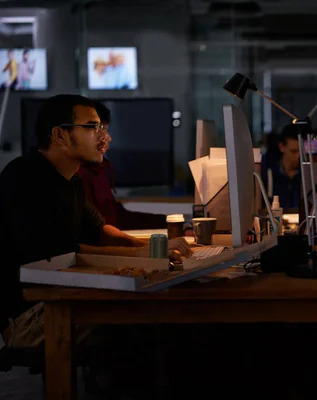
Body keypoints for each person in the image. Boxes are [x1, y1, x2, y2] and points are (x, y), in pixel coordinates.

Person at [0, 94, 192, 350]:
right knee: (145, 321)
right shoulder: (24, 177)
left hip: (64, 294)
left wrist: (152, 248)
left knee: (159, 310)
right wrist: (143, 253)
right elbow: (64, 254)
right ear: (59, 135)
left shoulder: (72, 179)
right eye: (92, 127)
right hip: (31, 313)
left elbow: (99, 229)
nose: (105, 137)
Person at [78, 101, 167, 230]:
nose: (107, 138)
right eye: (98, 130)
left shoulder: (100, 169)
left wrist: (170, 222)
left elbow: (116, 216)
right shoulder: (77, 175)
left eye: (104, 130)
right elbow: (95, 232)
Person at [262, 124, 301, 209]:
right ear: (281, 147)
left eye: (302, 152)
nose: (299, 156)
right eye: (293, 151)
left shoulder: (309, 176)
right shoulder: (267, 173)